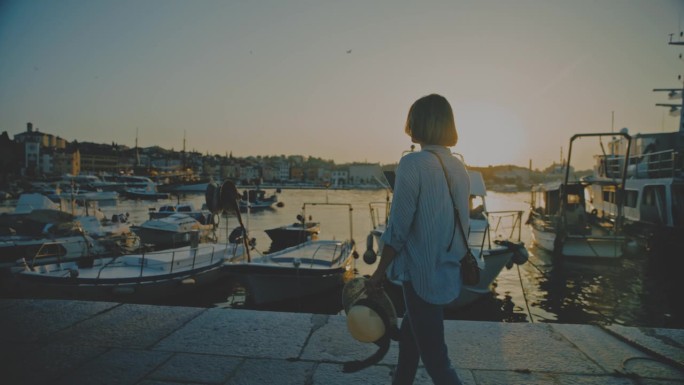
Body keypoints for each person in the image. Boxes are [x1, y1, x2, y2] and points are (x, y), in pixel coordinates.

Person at [367, 93, 470, 385]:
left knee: (438, 362)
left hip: (420, 274)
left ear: (418, 123)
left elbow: (397, 230)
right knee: (410, 348)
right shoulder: (459, 168)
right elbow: (462, 224)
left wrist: (377, 274)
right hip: (445, 270)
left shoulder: (412, 164)